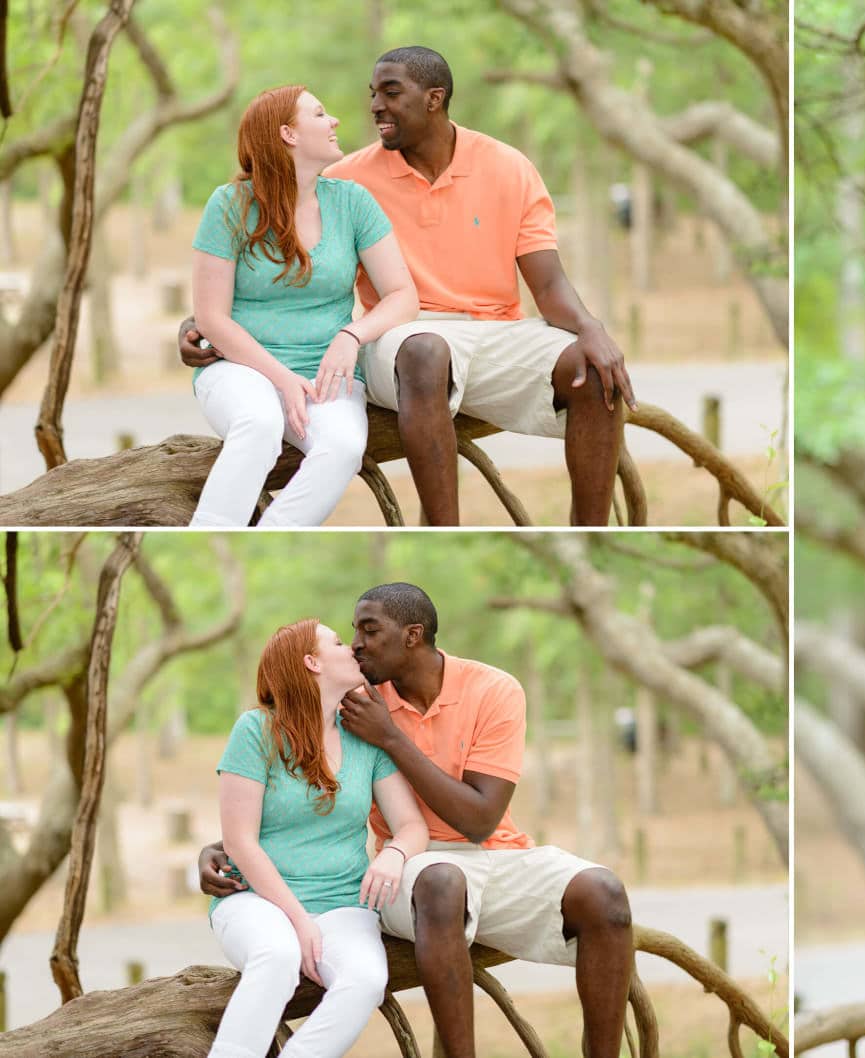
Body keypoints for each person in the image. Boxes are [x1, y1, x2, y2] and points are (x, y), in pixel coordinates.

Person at [183, 46, 634, 526]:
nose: (374, 105)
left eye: (391, 92)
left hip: (491, 331)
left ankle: (591, 529)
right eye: (373, 93)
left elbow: (549, 283)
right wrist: (198, 327)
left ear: (434, 98)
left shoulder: (506, 167)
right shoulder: (339, 179)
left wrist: (591, 329)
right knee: (418, 353)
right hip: (404, 339)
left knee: (593, 367)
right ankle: (441, 530)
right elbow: (259, 262)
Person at [199, 584, 635, 1058]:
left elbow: (481, 822)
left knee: (604, 894)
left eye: (368, 631)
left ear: (413, 635)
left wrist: (391, 740)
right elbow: (281, 788)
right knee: (437, 884)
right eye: (349, 636)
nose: (357, 645)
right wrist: (217, 849)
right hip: (419, 871)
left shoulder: (486, 691)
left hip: (492, 853)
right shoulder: (354, 702)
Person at [189, 85, 418, 527]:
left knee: (344, 447)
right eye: (319, 113)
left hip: (328, 373)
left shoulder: (352, 203)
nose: (334, 121)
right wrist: (281, 378)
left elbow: (402, 294)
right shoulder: (229, 205)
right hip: (242, 370)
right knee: (258, 424)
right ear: (288, 134)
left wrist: (352, 336)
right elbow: (211, 318)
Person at [208, 619, 429, 1058]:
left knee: (366, 980)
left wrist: (395, 855)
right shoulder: (255, 731)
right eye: (338, 642)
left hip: (344, 904)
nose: (353, 649)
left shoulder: (364, 741)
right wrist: (298, 920)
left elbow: (411, 825)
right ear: (312, 662)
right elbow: (239, 841)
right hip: (258, 901)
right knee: (277, 956)